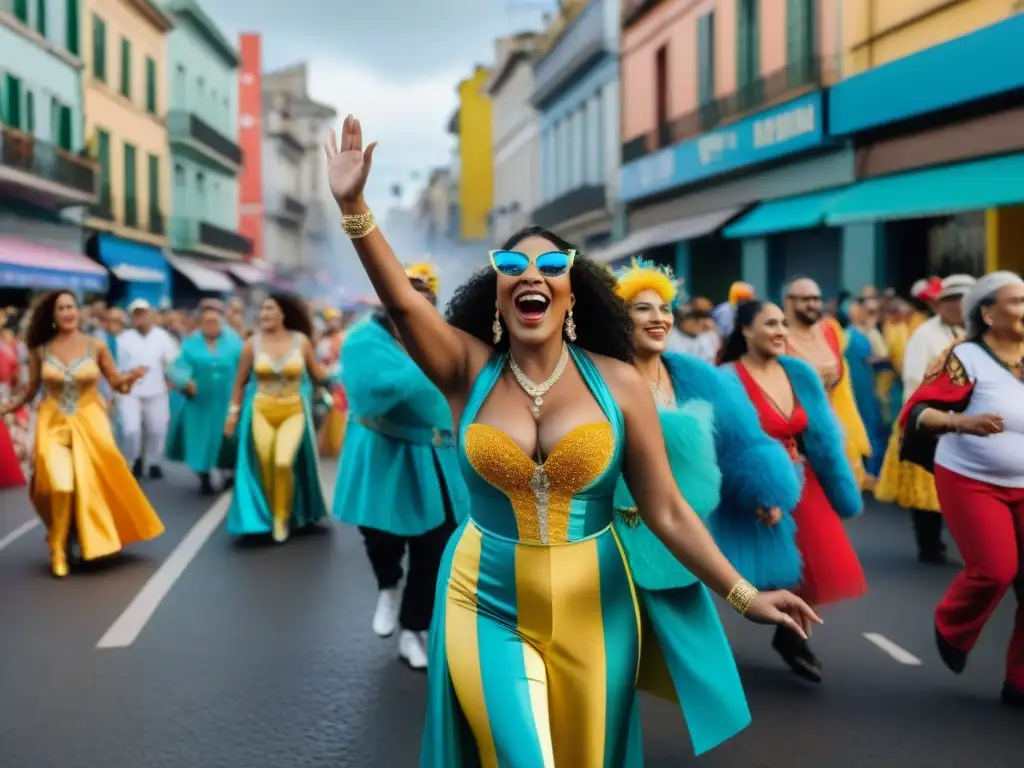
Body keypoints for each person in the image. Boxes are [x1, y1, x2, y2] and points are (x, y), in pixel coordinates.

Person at [324, 115, 819, 766]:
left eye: (551, 264)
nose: (532, 273)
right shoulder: (464, 369)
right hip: (484, 596)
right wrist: (355, 207)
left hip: (598, 604)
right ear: (496, 292)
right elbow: (407, 303)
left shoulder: (619, 384)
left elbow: (666, 508)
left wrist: (742, 593)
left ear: (571, 291)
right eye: (513, 265)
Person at [610, 259, 803, 753]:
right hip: (603, 546)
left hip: (676, 543)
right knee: (607, 670)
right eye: (641, 309)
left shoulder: (699, 378)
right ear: (617, 318)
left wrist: (764, 491)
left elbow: (743, 442)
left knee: (701, 671)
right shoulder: (596, 379)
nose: (659, 318)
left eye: (665, 308)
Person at [719, 300, 865, 682]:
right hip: (752, 484)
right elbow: (729, 444)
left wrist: (841, 483)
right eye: (770, 324)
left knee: (815, 564)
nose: (781, 331)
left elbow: (822, 434)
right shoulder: (726, 379)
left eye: (784, 323)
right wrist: (759, 492)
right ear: (747, 331)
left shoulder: (800, 372)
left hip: (802, 478)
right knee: (749, 573)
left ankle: (790, 637)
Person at [898, 271, 1024, 708]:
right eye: (1016, 300)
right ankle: (951, 626)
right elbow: (919, 411)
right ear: (987, 313)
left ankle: (1020, 682)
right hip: (972, 479)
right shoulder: (966, 356)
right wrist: (960, 421)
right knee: (996, 569)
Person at [334, 263, 467, 671]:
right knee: (381, 535)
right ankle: (389, 584)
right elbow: (374, 395)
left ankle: (413, 628)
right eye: (406, 297)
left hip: (440, 459)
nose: (416, 304)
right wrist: (425, 349)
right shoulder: (361, 341)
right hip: (384, 454)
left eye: (425, 299)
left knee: (435, 546)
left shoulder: (450, 339)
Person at [0, 291, 164, 577]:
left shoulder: (96, 346)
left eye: (71, 307)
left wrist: (129, 379)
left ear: (77, 311)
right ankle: (58, 545)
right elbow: (32, 389)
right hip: (53, 422)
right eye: (61, 308)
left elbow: (116, 384)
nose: (67, 312)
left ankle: (88, 539)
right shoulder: (41, 350)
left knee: (92, 481)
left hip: (90, 420)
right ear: (53, 314)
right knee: (59, 484)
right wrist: (10, 406)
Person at [876, 275, 974, 564]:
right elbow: (913, 379)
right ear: (939, 304)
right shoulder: (925, 334)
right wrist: (921, 418)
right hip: (931, 416)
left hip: (967, 421)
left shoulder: (980, 333)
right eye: (951, 300)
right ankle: (929, 544)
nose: (957, 305)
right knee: (925, 487)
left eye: (963, 300)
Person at [224, 293, 330, 543]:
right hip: (261, 410)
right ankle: (268, 513)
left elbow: (318, 376)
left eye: (270, 309)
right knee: (265, 462)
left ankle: (282, 518)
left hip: (292, 411)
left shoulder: (301, 341)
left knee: (283, 462)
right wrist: (232, 415)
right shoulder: (252, 344)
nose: (264, 314)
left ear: (283, 313)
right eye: (262, 310)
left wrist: (339, 374)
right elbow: (239, 384)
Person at [783, 276, 873, 490]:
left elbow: (843, 382)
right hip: (795, 435)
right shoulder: (779, 336)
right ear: (789, 302)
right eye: (805, 299)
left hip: (834, 428)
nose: (813, 304)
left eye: (816, 298)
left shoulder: (830, 330)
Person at [165, 300, 244, 495]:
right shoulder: (191, 343)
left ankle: (228, 474)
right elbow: (177, 367)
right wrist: (185, 381)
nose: (211, 325)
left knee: (229, 439)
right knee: (201, 441)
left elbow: (246, 365)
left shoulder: (235, 342)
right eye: (207, 321)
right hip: (200, 403)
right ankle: (204, 477)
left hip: (227, 400)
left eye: (215, 321)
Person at [116, 299, 178, 479]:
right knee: (131, 429)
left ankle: (153, 462)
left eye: (143, 313)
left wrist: (173, 381)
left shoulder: (163, 337)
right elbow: (116, 366)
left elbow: (173, 363)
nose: (139, 317)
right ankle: (133, 460)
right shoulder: (123, 339)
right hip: (130, 392)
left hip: (156, 391)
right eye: (136, 314)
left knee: (157, 429)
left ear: (150, 314)